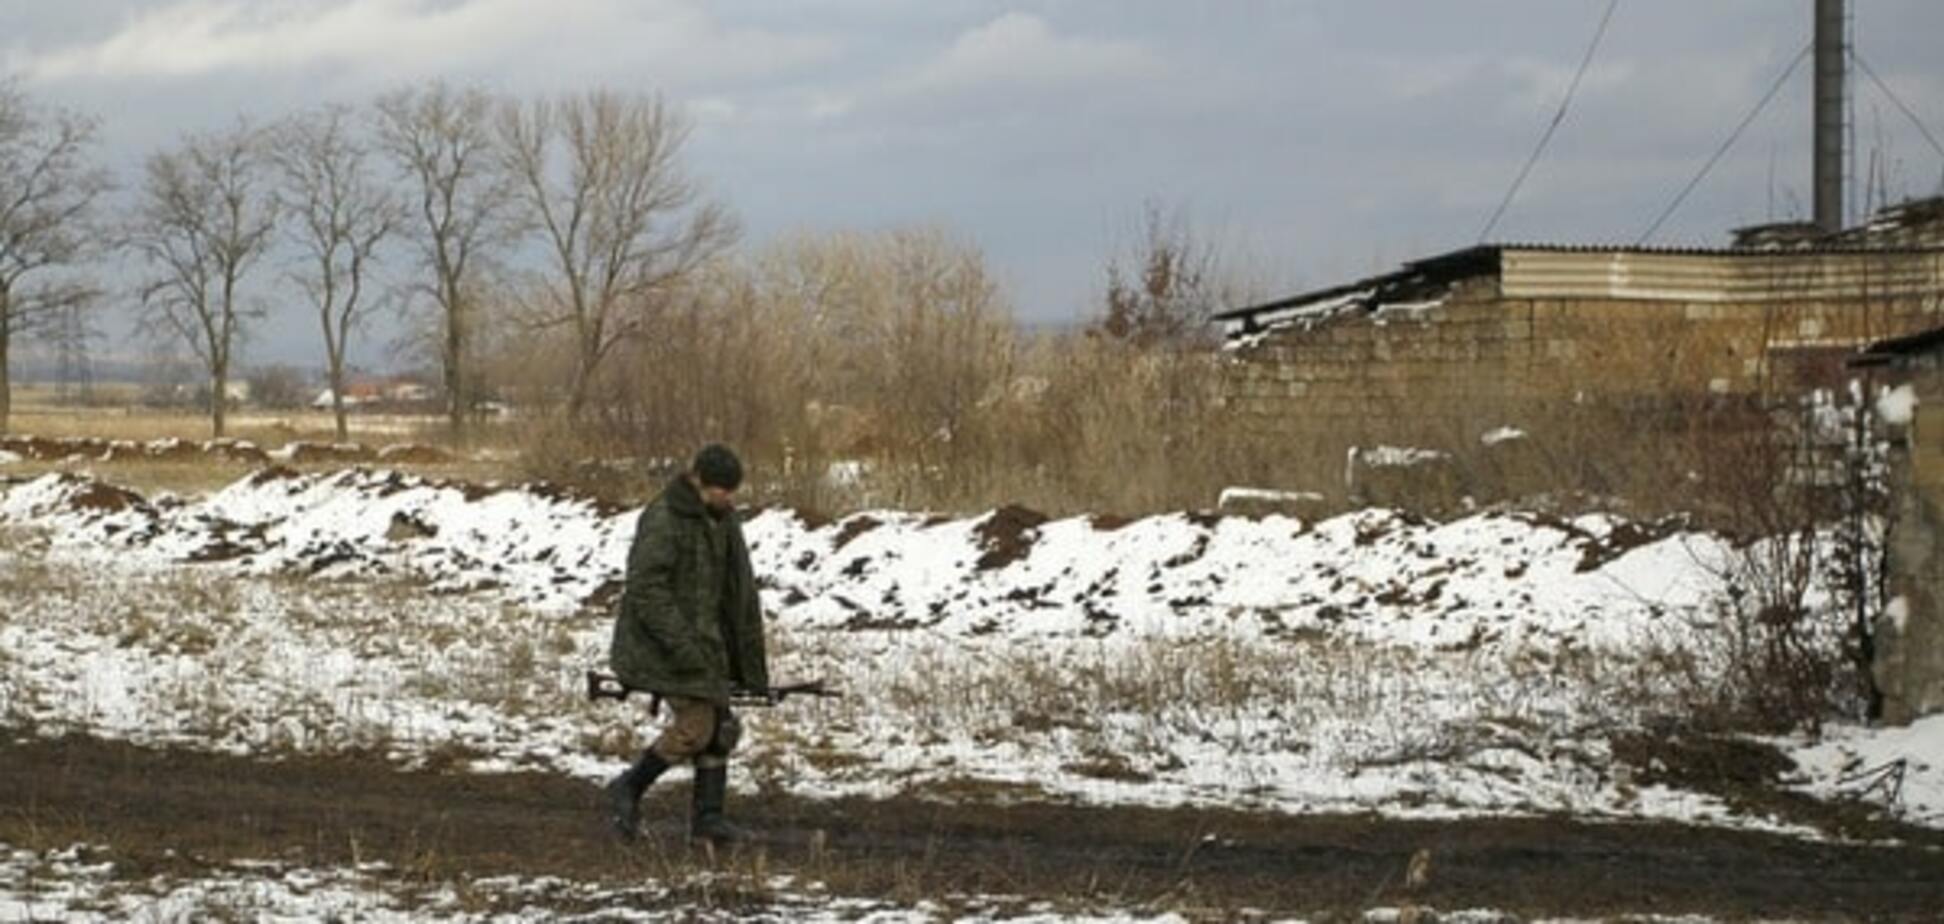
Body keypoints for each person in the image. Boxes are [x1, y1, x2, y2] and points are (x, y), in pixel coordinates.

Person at [604, 444, 770, 845]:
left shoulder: (722, 520)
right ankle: (628, 786)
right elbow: (647, 592)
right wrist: (683, 645)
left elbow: (736, 590)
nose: (729, 499)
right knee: (697, 727)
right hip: (660, 646)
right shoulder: (662, 519)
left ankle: (708, 821)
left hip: (706, 645)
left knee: (721, 730)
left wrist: (743, 658)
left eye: (732, 492)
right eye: (721, 491)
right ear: (698, 481)